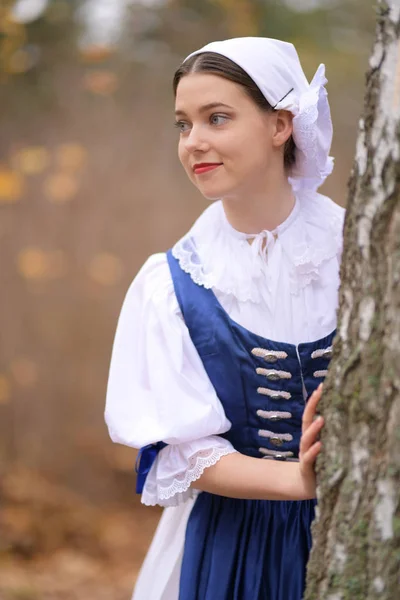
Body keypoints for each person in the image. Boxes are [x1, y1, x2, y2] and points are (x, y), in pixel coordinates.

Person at [105, 36, 345, 600]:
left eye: (217, 118)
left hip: (362, 527)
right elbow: (183, 451)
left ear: (280, 124)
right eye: (183, 124)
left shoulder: (361, 249)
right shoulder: (171, 284)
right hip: (232, 547)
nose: (195, 142)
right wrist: (296, 479)